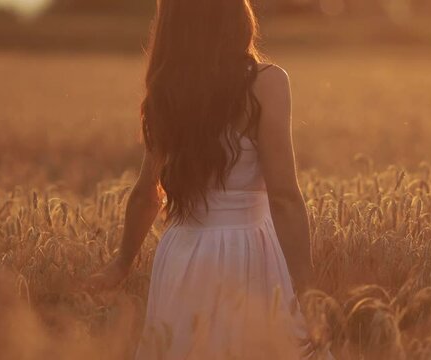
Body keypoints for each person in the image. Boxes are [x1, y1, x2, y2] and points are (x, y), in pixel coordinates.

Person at [89, 0, 329, 358]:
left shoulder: (167, 89)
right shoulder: (267, 83)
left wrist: (122, 262)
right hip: (247, 250)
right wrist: (309, 291)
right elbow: (284, 197)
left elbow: (146, 193)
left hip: (182, 255)